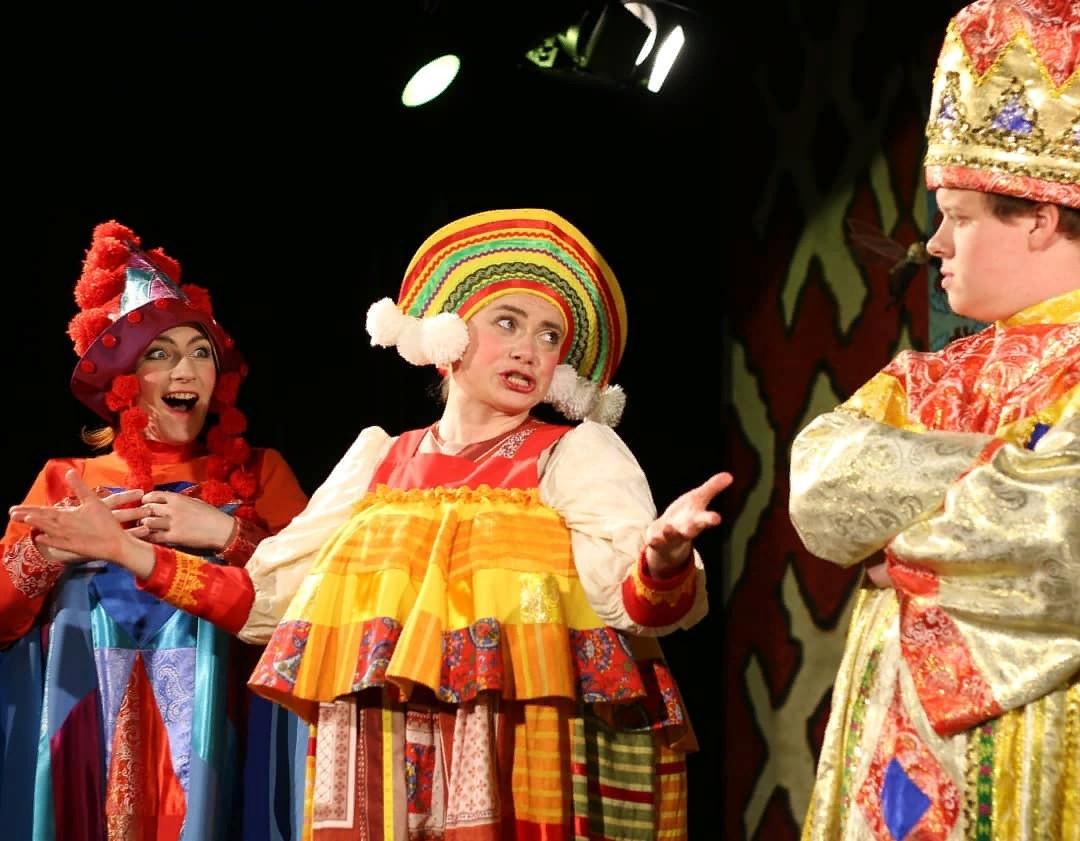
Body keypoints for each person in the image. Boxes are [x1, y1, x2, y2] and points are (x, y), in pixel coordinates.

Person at [17, 208, 731, 839]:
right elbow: (273, 602)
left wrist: (662, 559)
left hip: (517, 758)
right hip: (381, 762)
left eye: (550, 338)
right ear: (449, 336)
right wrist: (128, 552)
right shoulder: (378, 461)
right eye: (507, 323)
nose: (528, 349)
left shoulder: (573, 454)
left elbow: (631, 602)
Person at [789, 2, 1080, 838]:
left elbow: (1060, 536)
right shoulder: (928, 373)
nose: (936, 243)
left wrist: (900, 531)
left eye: (959, 215)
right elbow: (822, 488)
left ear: (1039, 217)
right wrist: (1004, 465)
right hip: (892, 737)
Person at [1, 221, 309, 841]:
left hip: (228, 733)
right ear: (125, 381)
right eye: (160, 355)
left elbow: (315, 599)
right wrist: (47, 553)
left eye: (200, 352)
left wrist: (226, 534)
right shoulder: (69, 479)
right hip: (83, 737)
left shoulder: (261, 474)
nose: (185, 369)